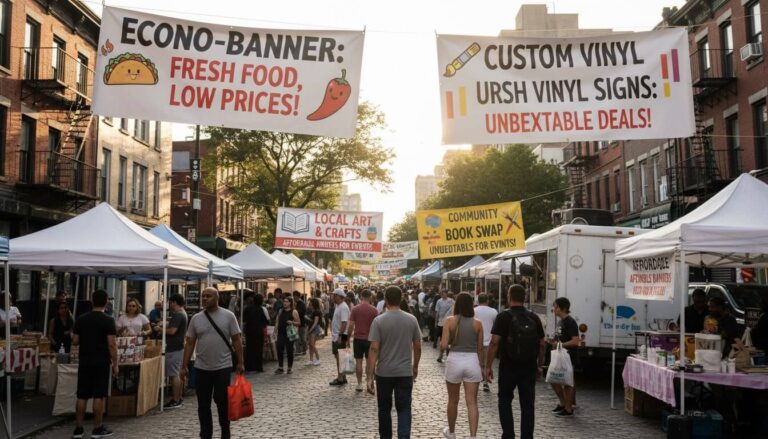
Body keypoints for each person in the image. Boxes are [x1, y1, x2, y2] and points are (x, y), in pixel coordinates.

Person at [181, 287, 244, 439]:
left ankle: (225, 431)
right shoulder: (196, 318)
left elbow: (236, 339)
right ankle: (205, 434)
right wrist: (184, 366)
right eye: (203, 296)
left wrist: (241, 362)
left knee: (222, 401)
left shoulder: (228, 316)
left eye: (208, 296)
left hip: (223, 365)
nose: (204, 299)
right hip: (202, 366)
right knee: (203, 404)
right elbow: (190, 342)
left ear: (217, 298)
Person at [485, 284, 545, 439]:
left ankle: (508, 435)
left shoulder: (503, 316)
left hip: (508, 366)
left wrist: (488, 366)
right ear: (524, 298)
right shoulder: (534, 317)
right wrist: (539, 365)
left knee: (504, 401)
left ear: (509, 297)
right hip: (529, 367)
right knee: (527, 405)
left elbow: (494, 343)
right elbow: (542, 343)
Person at [367, 285, 422, 439]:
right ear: (402, 299)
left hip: (384, 373)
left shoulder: (378, 321)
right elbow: (417, 346)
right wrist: (415, 366)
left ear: (385, 300)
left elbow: (374, 349)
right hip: (404, 372)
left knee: (384, 409)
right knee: (404, 408)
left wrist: (370, 376)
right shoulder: (412, 319)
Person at [71, 289, 118, 439]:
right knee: (99, 395)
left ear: (92, 301)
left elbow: (75, 341)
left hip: (85, 360)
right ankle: (97, 428)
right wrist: (116, 363)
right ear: (106, 302)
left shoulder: (81, 319)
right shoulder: (108, 320)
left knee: (82, 395)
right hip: (101, 361)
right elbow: (112, 344)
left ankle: (78, 428)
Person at [441, 292, 484, 439]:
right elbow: (480, 349)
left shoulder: (449, 321)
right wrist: (483, 367)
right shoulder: (477, 323)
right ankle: (473, 435)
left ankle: (451, 432)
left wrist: (451, 342)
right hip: (472, 361)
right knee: (472, 402)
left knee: (453, 399)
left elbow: (443, 345)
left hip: (454, 359)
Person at [548, 297, 580, 418]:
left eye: (554, 306)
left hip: (568, 356)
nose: (553, 309)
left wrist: (560, 344)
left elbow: (575, 341)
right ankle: (563, 403)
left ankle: (568, 408)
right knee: (553, 379)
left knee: (567, 382)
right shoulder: (561, 321)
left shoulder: (570, 322)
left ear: (560, 308)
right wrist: (553, 341)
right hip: (559, 355)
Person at [348, 289, 379, 391]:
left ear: (361, 296)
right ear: (370, 297)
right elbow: (377, 327)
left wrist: (347, 338)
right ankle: (369, 381)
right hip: (370, 339)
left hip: (358, 339)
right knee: (370, 362)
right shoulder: (374, 310)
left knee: (359, 362)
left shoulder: (355, 309)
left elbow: (351, 325)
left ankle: (359, 384)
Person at [163, 294, 188, 410]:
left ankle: (176, 399)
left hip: (174, 347)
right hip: (178, 347)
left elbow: (172, 331)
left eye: (170, 302)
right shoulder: (182, 313)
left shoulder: (178, 315)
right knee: (176, 373)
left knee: (174, 374)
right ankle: (178, 397)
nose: (169, 305)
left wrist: (161, 329)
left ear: (174, 302)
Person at [474, 293, 498, 392]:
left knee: (478, 363)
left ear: (478, 301)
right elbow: (496, 327)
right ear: (487, 300)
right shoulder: (494, 311)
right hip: (489, 341)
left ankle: (477, 380)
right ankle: (485, 382)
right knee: (487, 364)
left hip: (476, 341)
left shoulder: (474, 311)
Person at [330, 288, 351, 386]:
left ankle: (340, 378)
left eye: (335, 295)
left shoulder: (343, 307)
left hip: (341, 335)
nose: (333, 297)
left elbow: (344, 323)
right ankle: (342, 376)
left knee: (340, 357)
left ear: (340, 297)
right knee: (339, 356)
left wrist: (339, 335)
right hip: (338, 335)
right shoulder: (339, 306)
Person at [243, 294, 269, 373]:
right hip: (258, 332)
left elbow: (244, 319)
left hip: (249, 331)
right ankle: (259, 367)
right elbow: (265, 321)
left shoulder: (247, 309)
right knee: (259, 350)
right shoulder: (261, 309)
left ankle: (249, 367)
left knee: (249, 349)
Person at [274, 296, 300, 374]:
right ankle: (280, 367)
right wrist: (275, 331)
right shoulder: (280, 311)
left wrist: (292, 322)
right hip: (281, 333)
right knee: (279, 349)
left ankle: (289, 368)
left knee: (289, 351)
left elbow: (299, 323)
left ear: (290, 303)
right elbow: (277, 321)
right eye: (284, 301)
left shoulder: (294, 311)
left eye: (286, 301)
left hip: (289, 335)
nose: (284, 303)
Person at [435, 290, 455, 362]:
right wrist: (436, 321)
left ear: (447, 294)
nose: (443, 295)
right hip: (441, 322)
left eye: (444, 294)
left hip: (450, 322)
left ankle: (446, 355)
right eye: (442, 294)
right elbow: (437, 312)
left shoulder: (452, 301)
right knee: (443, 339)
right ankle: (441, 355)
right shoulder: (439, 301)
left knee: (447, 339)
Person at [306, 297, 323, 366]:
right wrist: (308, 318)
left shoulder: (317, 311)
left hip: (314, 329)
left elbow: (315, 323)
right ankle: (311, 360)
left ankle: (318, 359)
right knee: (310, 345)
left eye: (310, 303)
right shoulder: (314, 311)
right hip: (312, 328)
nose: (309, 304)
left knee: (312, 345)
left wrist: (310, 330)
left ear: (313, 303)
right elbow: (313, 321)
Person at [293, 291, 308, 355]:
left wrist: (295, 312)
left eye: (294, 296)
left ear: (297, 296)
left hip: (302, 323)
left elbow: (301, 313)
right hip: (299, 323)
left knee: (302, 338)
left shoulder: (300, 303)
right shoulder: (299, 303)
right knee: (298, 338)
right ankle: (300, 350)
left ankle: (304, 350)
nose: (293, 298)